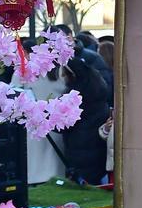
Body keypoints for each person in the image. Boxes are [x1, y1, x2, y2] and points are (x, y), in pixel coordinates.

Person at [11, 39, 69, 185]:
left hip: (33, 121)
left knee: (36, 158)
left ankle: (34, 180)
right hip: (56, 119)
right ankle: (56, 180)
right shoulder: (59, 68)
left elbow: (14, 93)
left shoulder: (23, 70)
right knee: (53, 158)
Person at [60, 57, 112, 185]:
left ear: (71, 76)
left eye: (64, 74)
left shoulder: (73, 97)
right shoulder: (98, 90)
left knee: (80, 183)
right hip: (97, 145)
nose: (62, 76)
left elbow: (62, 125)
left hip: (78, 147)